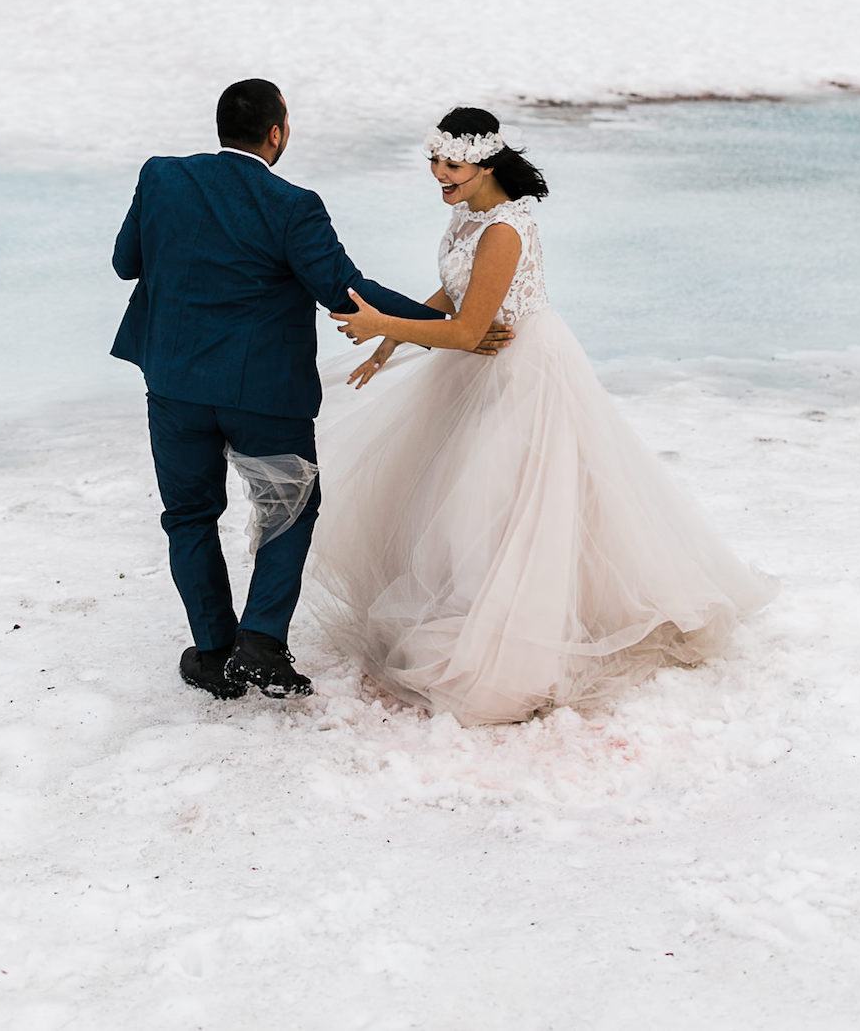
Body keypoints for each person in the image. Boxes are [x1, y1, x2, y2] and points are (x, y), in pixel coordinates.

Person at [318, 108, 774, 724]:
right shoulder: (467, 213)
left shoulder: (504, 230)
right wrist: (393, 342)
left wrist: (381, 322)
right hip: (474, 370)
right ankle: (471, 605)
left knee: (500, 502)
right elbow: (453, 295)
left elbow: (472, 328)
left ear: (484, 163)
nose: (438, 175)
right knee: (457, 500)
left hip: (519, 371)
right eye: (434, 160)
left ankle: (513, 634)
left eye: (451, 165)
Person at [111, 78, 486, 701]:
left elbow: (127, 263)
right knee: (288, 511)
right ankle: (259, 641)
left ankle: (212, 652)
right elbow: (346, 293)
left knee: (189, 517)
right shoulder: (292, 205)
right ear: (277, 133)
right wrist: (452, 330)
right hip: (264, 393)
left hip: (174, 384)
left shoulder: (160, 177)